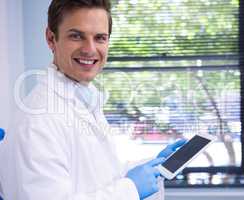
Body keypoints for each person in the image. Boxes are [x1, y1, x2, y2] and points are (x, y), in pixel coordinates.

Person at [0, 0, 186, 200]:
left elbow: (97, 176)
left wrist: (151, 166)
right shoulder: (38, 121)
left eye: (100, 38)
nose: (89, 49)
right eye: (76, 36)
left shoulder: (83, 99)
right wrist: (131, 189)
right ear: (51, 38)